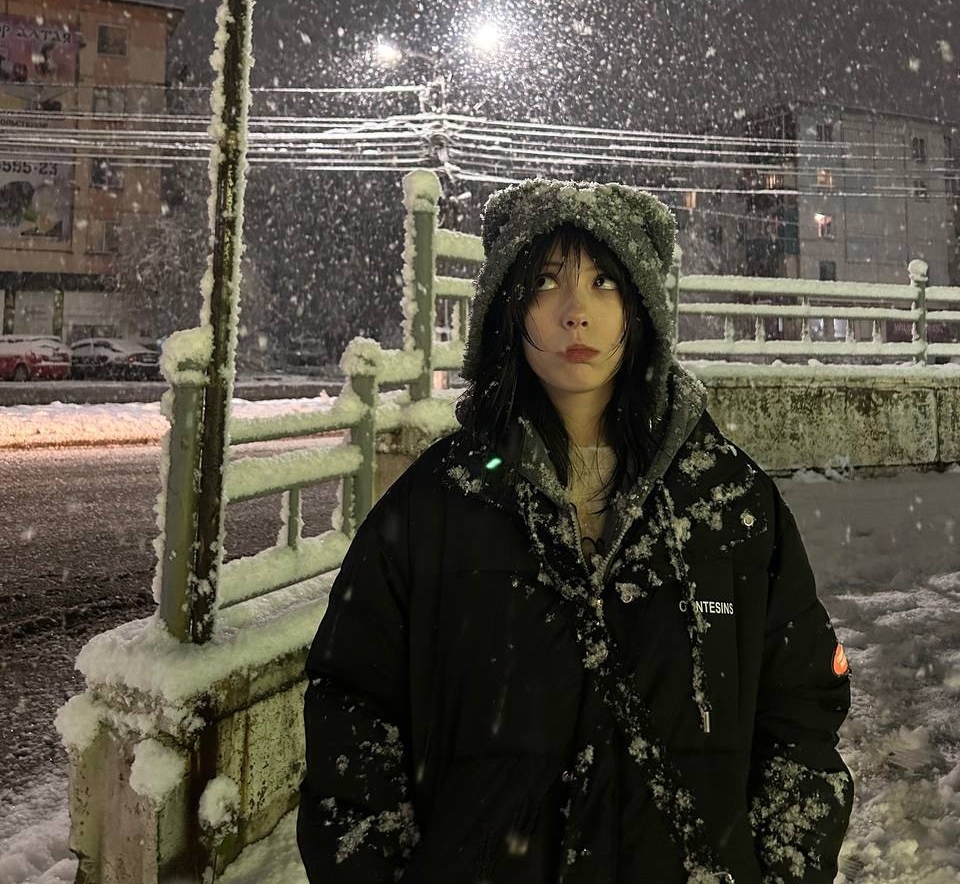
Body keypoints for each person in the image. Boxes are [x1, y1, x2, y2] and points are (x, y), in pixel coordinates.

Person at [297, 179, 854, 883]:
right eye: (545, 283)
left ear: (641, 307)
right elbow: (352, 713)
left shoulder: (730, 503)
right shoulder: (437, 505)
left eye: (603, 283)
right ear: (508, 308)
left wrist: (782, 870)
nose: (575, 312)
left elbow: (801, 713)